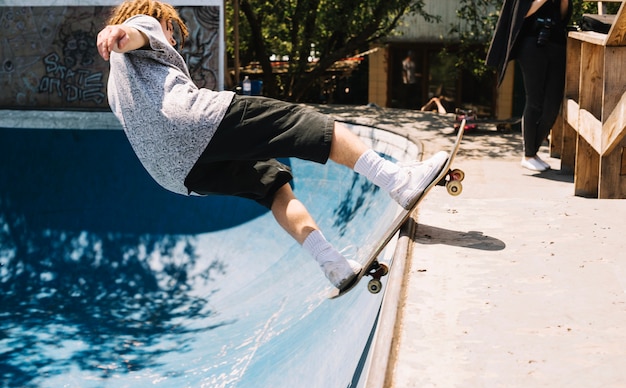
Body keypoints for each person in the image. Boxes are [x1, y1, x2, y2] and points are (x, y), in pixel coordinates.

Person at [96, 0, 447, 291]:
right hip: (193, 122)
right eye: (174, 31)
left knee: (273, 185)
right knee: (305, 124)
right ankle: (398, 181)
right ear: (164, 22)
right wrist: (117, 32)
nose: (173, 39)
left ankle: (333, 264)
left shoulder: (115, 83)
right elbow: (133, 34)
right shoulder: (149, 21)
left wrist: (118, 39)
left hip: (174, 175)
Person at [486, 0, 573, 172]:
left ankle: (533, 152)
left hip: (556, 43)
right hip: (532, 44)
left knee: (552, 106)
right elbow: (522, 13)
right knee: (534, 101)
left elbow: (563, 16)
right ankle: (528, 154)